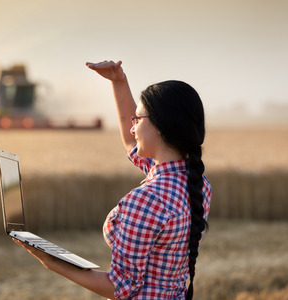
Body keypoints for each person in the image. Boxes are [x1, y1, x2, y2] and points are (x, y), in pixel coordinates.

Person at [13, 60, 212, 299]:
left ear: (160, 126)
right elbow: (132, 144)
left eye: (138, 119)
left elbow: (119, 287)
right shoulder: (196, 184)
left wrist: (51, 261)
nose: (132, 127)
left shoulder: (147, 200)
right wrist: (119, 82)